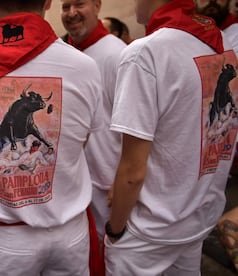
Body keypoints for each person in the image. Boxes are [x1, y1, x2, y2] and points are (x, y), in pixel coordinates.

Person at [0, 0, 106, 275]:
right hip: (68, 233)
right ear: (49, 1)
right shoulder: (84, 67)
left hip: (7, 241)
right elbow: (81, 142)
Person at [105, 0, 238, 275]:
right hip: (197, 218)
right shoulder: (221, 44)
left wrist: (114, 229)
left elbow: (132, 171)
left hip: (150, 231)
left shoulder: (146, 52)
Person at [61, 0, 126, 242]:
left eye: (79, 4)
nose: (71, 13)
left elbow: (138, 126)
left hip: (108, 184)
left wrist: (121, 180)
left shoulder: (117, 54)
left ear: (97, 6)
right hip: (75, 183)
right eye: (65, 7)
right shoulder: (64, 54)